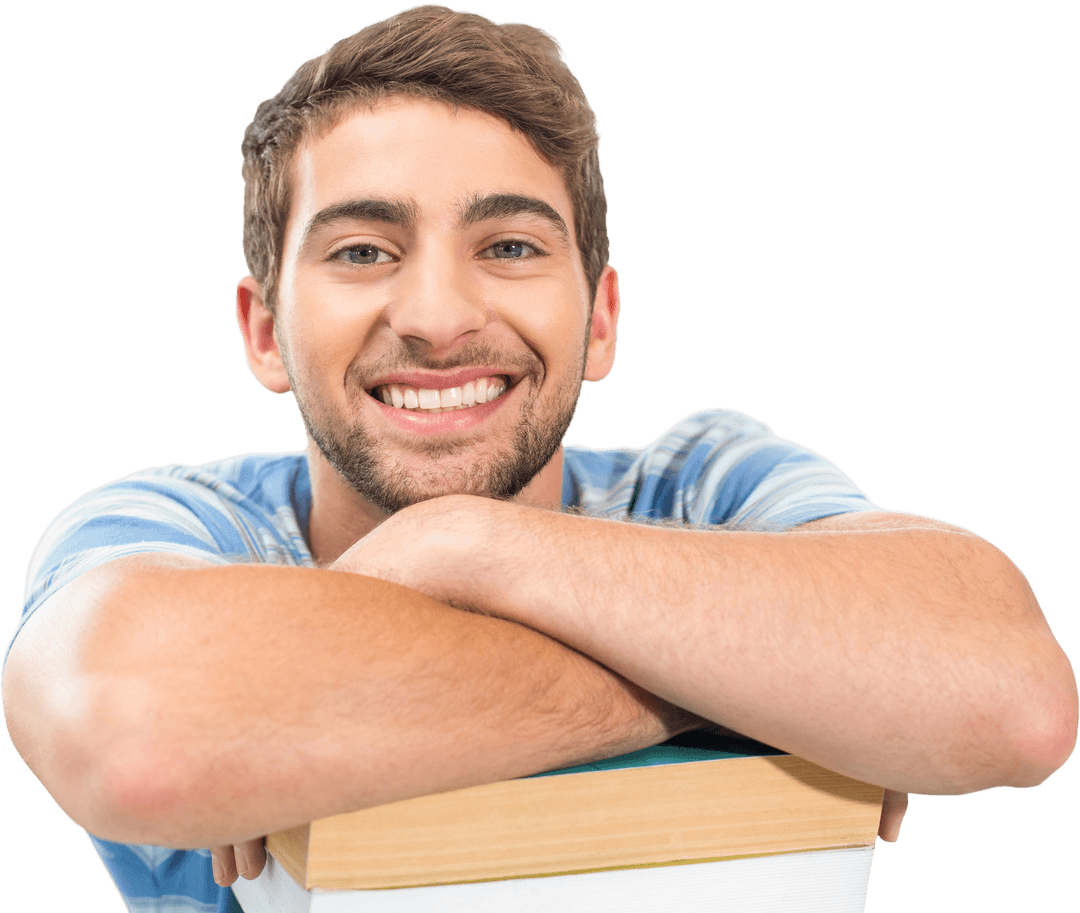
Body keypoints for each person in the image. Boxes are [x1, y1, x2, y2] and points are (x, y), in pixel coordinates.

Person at [2, 5, 1076, 912]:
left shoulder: (704, 480)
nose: (434, 316)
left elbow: (1013, 700)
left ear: (601, 319)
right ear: (264, 331)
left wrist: (463, 546)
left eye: (509, 246)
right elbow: (140, 738)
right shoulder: (175, 529)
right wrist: (761, 683)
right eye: (363, 250)